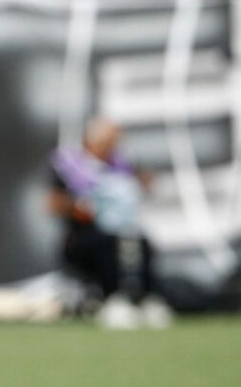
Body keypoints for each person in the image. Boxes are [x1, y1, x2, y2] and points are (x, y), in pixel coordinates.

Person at [49, 116, 173, 329]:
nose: (112, 147)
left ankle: (146, 297)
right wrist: (78, 208)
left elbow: (140, 188)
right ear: (92, 140)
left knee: (143, 242)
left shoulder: (122, 164)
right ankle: (113, 299)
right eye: (107, 142)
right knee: (107, 245)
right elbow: (52, 204)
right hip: (84, 235)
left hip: (121, 228)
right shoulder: (68, 164)